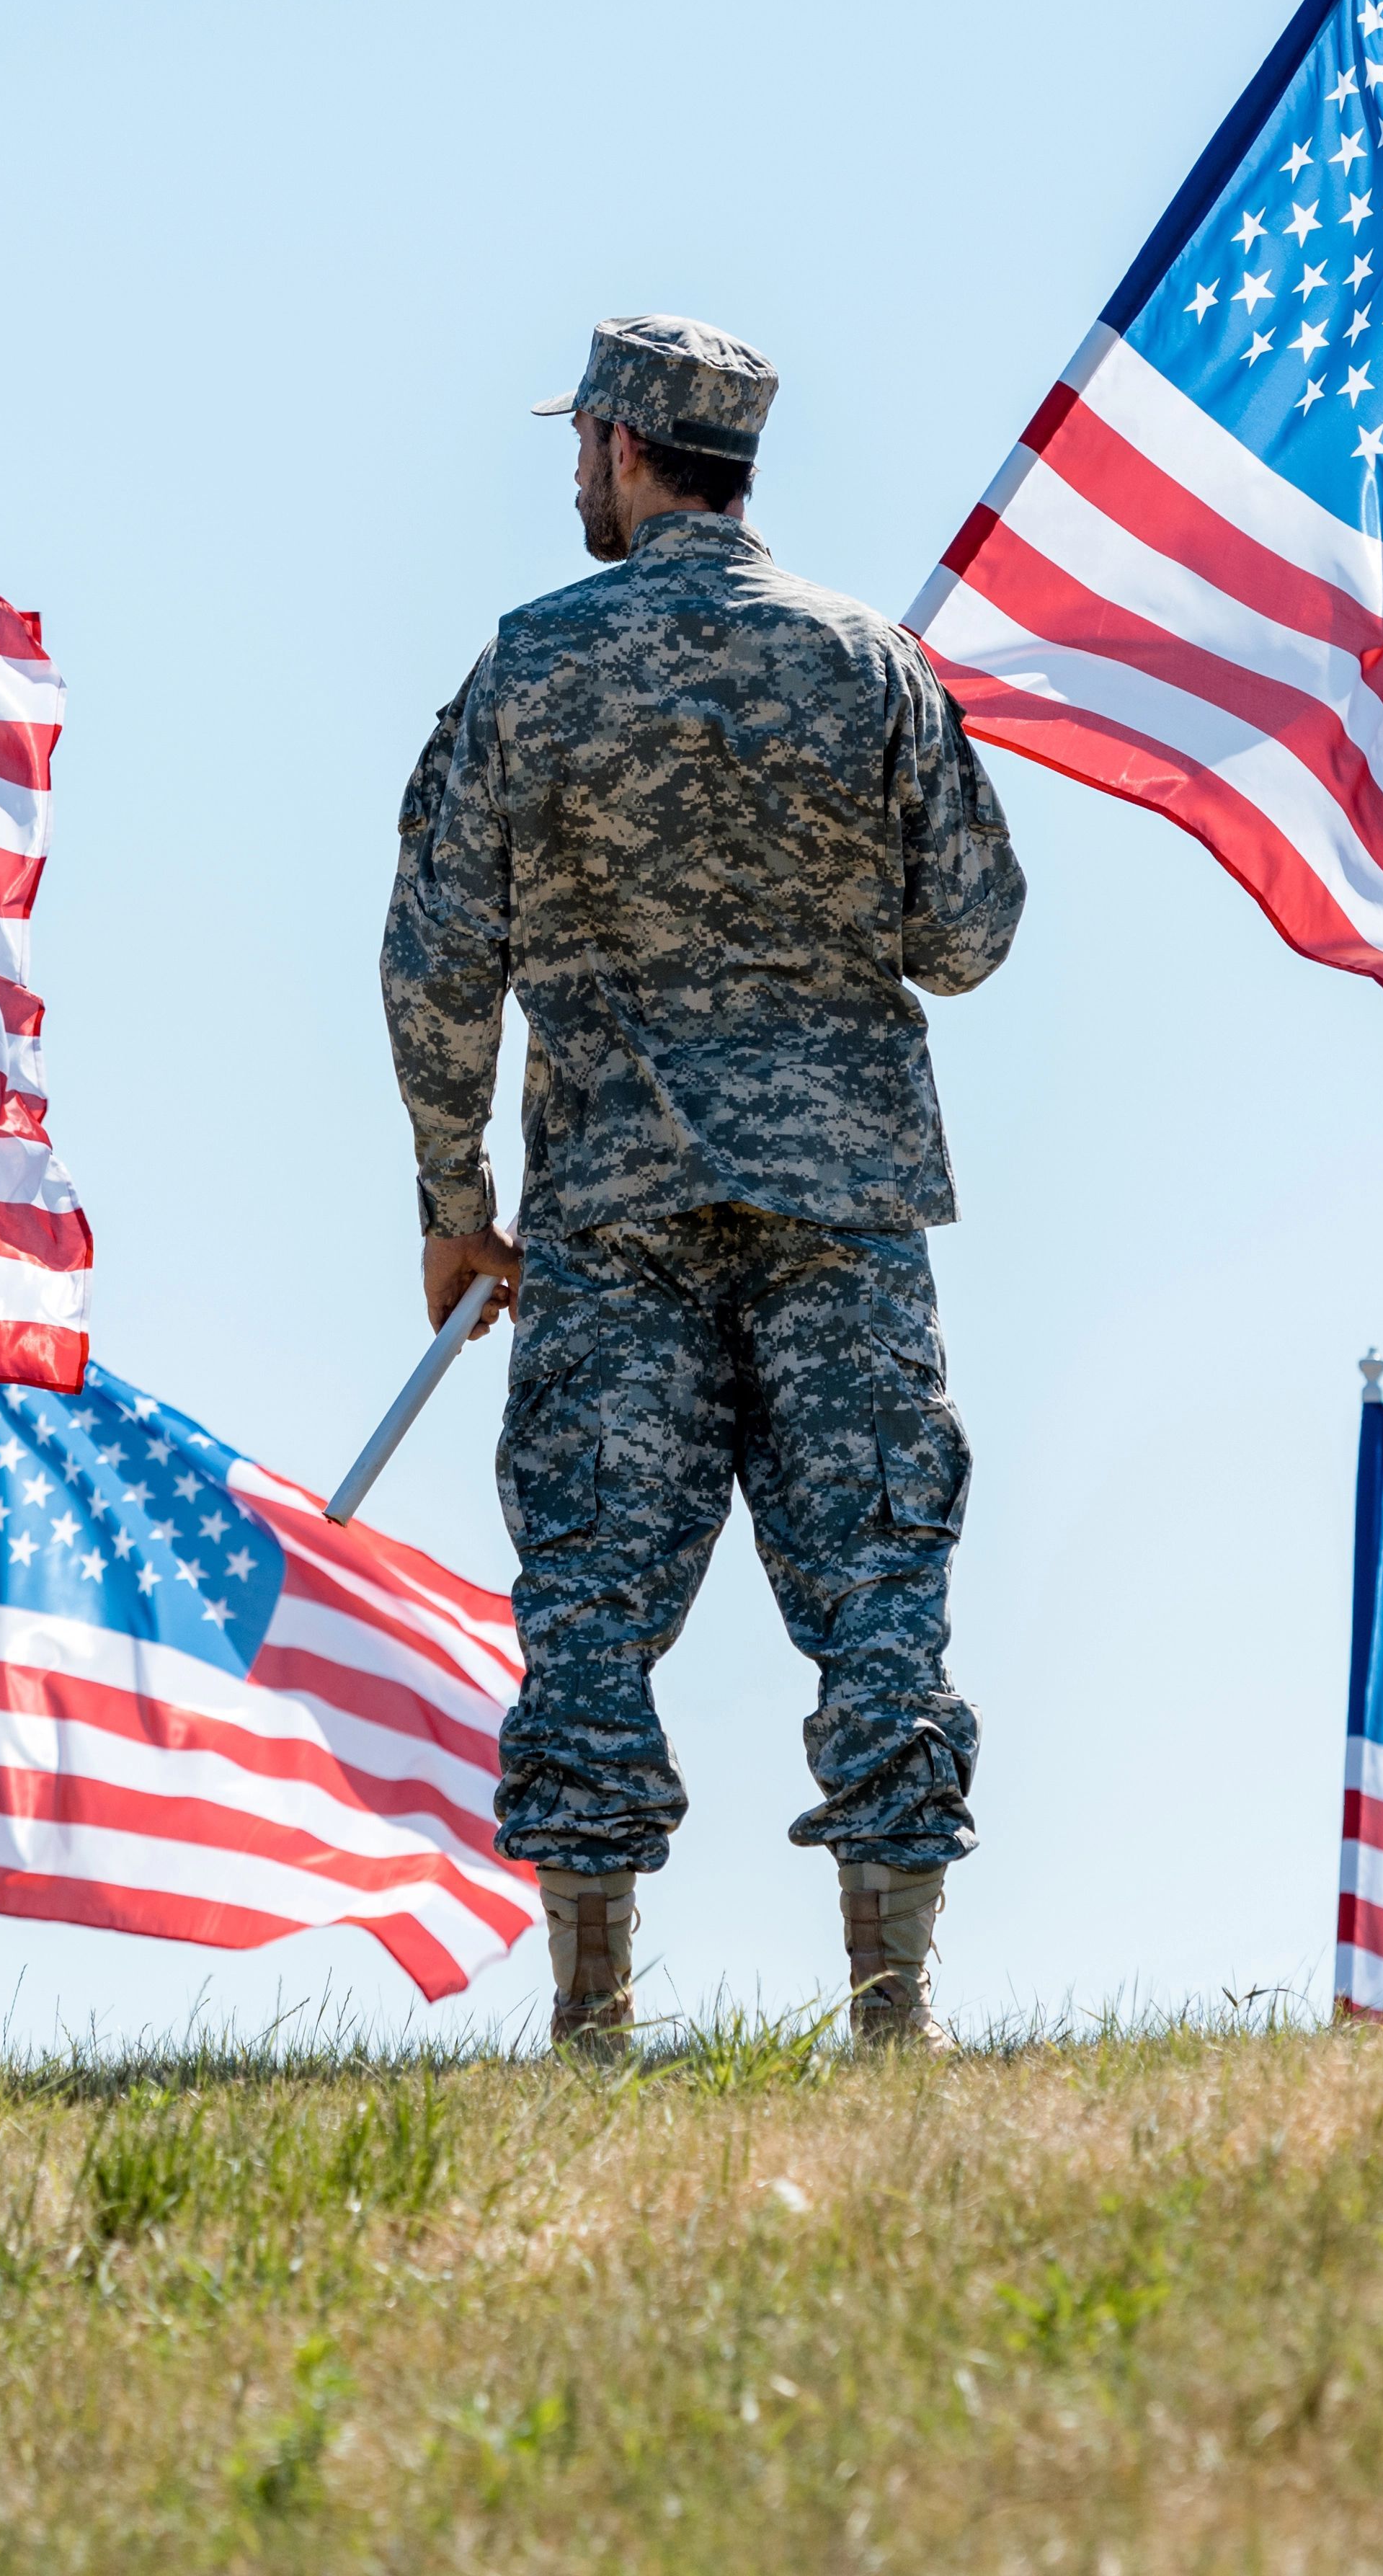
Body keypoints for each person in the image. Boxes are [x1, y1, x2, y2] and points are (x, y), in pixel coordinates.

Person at [380, 315, 1027, 2056]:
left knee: (588, 1601)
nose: (567, 470)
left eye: (575, 440)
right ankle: (894, 2022)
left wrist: (453, 1198)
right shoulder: (869, 664)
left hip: (614, 1209)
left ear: (616, 443)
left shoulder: (529, 666)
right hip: (844, 1208)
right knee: (879, 1592)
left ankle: (591, 2029)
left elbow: (434, 953)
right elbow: (968, 935)